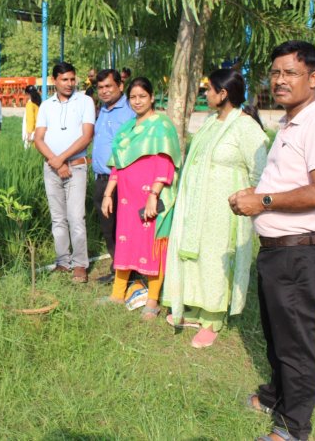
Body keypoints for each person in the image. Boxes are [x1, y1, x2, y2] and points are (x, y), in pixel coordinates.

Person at [229, 41, 315, 441]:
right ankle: (276, 396)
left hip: (299, 252)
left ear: (314, 78)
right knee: (278, 333)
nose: (279, 81)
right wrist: (256, 193)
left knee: (296, 342)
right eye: (275, 72)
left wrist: (262, 201)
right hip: (278, 251)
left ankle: (294, 428)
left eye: (291, 73)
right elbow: (289, 181)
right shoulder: (290, 122)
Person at [162, 68, 268, 348]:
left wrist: (250, 203)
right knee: (196, 256)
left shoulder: (245, 127)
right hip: (199, 205)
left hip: (225, 210)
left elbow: (261, 173)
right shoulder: (211, 122)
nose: (205, 93)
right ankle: (196, 308)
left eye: (209, 89)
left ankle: (214, 317)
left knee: (215, 259)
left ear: (223, 94)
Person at [98, 77, 180, 319]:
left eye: (142, 96)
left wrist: (154, 194)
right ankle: (117, 294)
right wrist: (108, 194)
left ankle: (153, 300)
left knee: (152, 244)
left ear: (152, 97)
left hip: (150, 197)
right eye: (133, 97)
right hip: (126, 198)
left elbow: (165, 162)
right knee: (125, 241)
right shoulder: (127, 128)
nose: (137, 101)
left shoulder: (162, 125)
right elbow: (117, 165)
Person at [34, 62, 95, 283]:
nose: (69, 84)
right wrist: (56, 161)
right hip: (51, 168)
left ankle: (80, 264)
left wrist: (62, 159)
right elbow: (38, 138)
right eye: (64, 80)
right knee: (58, 218)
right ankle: (62, 261)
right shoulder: (46, 105)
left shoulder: (85, 101)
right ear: (55, 81)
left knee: (76, 216)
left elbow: (86, 136)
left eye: (72, 79)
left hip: (76, 166)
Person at [90, 69, 134, 284]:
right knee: (109, 229)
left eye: (109, 86)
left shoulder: (130, 110)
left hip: (121, 180)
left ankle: (128, 273)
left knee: (124, 228)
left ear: (120, 86)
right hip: (101, 179)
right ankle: (117, 268)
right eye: (100, 88)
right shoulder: (103, 111)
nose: (105, 91)